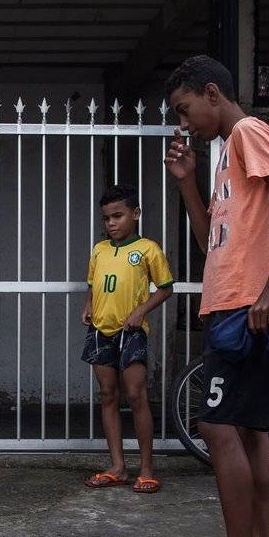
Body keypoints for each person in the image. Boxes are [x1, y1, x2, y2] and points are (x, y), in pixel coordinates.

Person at [163, 55, 269, 537]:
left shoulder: (249, 131)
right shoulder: (227, 150)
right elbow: (212, 241)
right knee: (251, 434)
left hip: (246, 307)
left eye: (185, 109)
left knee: (216, 426)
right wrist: (188, 185)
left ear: (212, 93)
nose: (184, 122)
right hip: (234, 301)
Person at [80, 183, 174, 494]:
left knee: (135, 396)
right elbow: (94, 284)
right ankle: (117, 466)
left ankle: (146, 470)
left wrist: (141, 311)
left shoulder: (148, 249)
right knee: (108, 395)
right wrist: (89, 306)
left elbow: (165, 288)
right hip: (100, 332)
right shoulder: (100, 249)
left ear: (135, 214)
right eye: (106, 218)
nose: (112, 223)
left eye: (118, 216)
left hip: (130, 332)